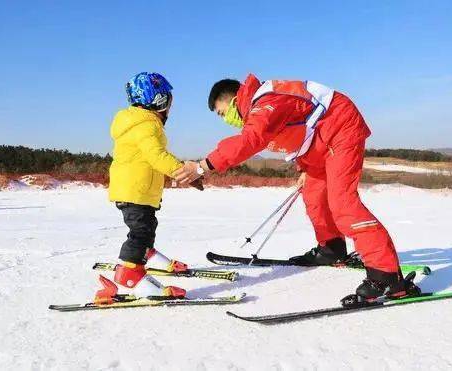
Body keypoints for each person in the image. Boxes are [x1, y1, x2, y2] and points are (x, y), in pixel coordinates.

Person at [173, 74, 419, 303]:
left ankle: (387, 277)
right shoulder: (260, 109)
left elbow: (250, 140)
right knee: (313, 196)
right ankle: (331, 249)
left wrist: (203, 166)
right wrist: (305, 168)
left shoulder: (265, 102)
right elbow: (301, 133)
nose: (226, 120)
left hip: (340, 129)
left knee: (343, 204)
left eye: (222, 113)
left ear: (235, 99)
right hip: (320, 144)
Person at [97, 72, 195, 303]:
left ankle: (146, 253)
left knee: (145, 227)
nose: (170, 109)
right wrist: (183, 172)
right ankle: (131, 274)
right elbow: (157, 156)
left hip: (133, 189)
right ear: (159, 101)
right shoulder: (147, 126)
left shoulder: (135, 123)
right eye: (169, 102)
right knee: (141, 231)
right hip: (136, 190)